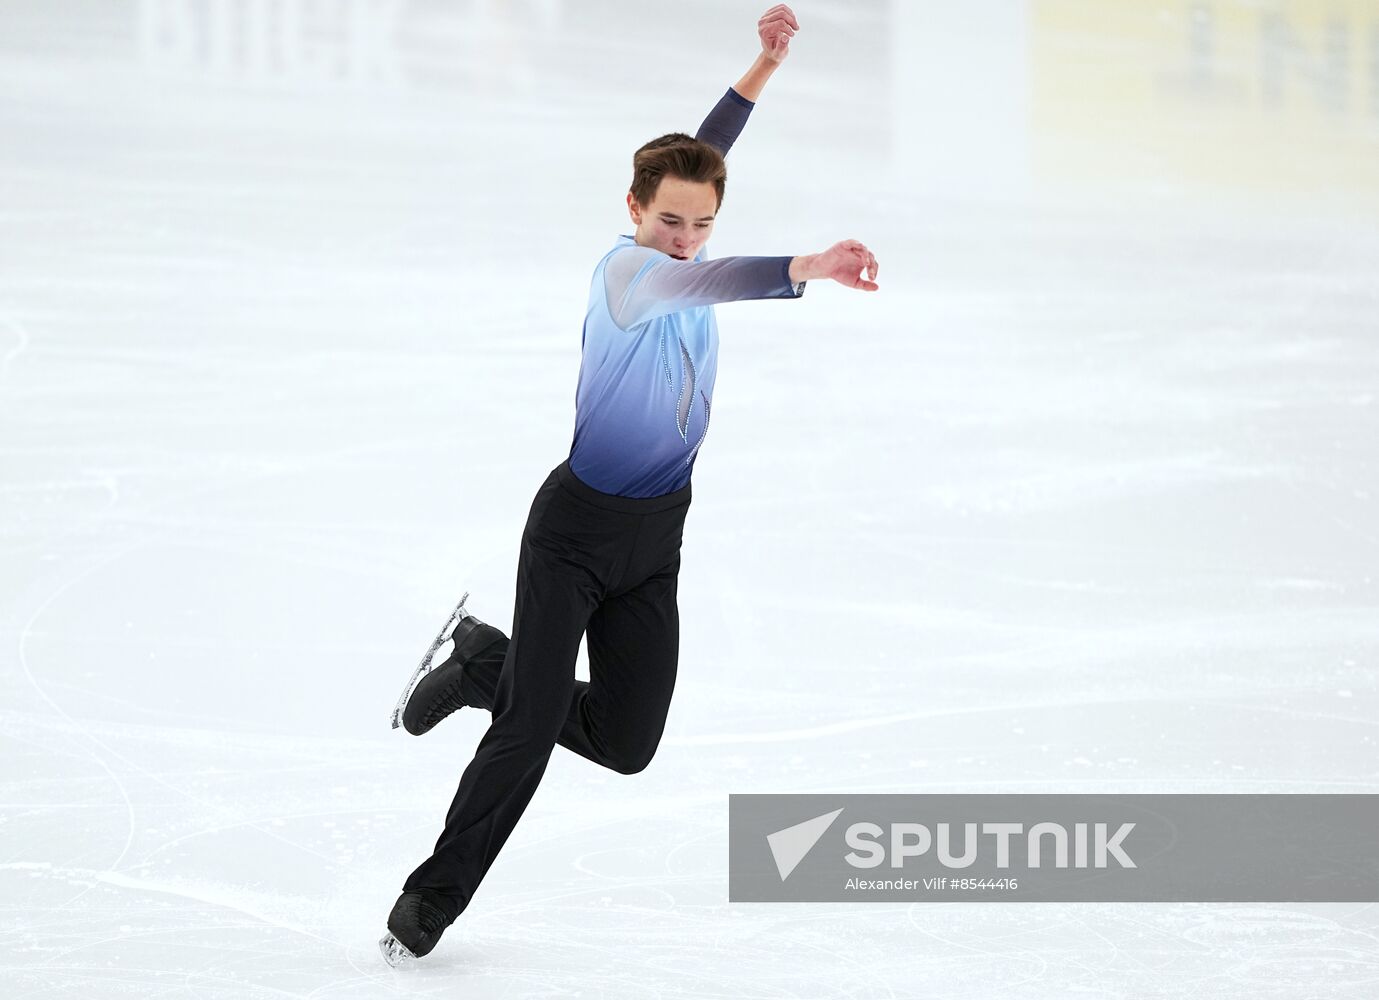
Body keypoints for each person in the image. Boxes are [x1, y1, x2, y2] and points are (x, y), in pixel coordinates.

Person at [379, 4, 878, 966]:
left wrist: (762, 66)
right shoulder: (631, 277)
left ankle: (485, 663)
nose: (686, 237)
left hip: (655, 539)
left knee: (625, 740)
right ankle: (428, 900)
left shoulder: (681, 216)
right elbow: (709, 280)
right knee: (525, 736)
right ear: (633, 212)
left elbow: (706, 147)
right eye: (669, 220)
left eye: (701, 223)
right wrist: (807, 265)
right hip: (572, 533)